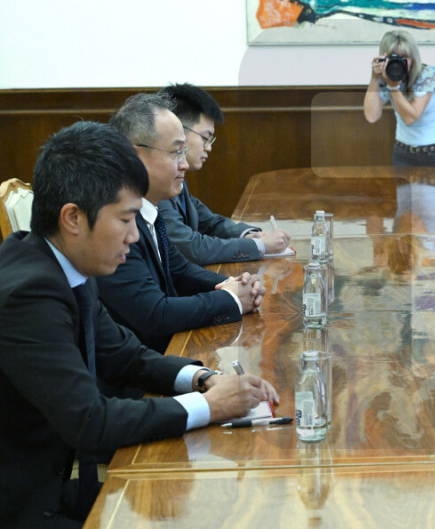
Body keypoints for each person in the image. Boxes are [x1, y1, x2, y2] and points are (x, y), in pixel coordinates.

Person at [0, 121, 278, 527]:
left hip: (57, 486)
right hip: (25, 505)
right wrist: (209, 406)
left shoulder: (66, 263)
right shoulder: (28, 295)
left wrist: (204, 378)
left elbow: (126, 356)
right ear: (73, 217)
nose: (133, 236)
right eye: (126, 219)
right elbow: (90, 422)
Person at [97, 93, 265, 355]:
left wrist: (234, 284)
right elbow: (155, 314)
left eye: (184, 152)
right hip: (139, 364)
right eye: (177, 152)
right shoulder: (113, 223)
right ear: (135, 155)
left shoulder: (150, 209)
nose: (184, 164)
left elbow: (180, 270)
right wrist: (230, 299)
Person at [156, 83, 291, 265]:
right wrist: (259, 246)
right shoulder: (157, 183)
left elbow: (210, 222)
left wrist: (249, 235)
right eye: (205, 138)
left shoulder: (178, 174)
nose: (209, 148)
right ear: (177, 130)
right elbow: (191, 248)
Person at [363, 30, 435, 168]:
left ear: (413, 58)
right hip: (404, 155)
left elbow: (410, 118)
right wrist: (375, 77)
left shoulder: (427, 76)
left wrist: (393, 87)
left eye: (404, 57)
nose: (398, 63)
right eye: (392, 58)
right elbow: (371, 116)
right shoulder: (386, 78)